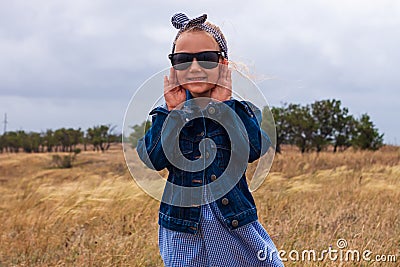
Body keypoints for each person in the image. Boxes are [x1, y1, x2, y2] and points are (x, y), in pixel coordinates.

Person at [137, 13, 283, 267]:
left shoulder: (239, 110)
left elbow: (254, 149)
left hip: (234, 220)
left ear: (223, 64)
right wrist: (173, 113)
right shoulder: (168, 112)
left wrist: (223, 107)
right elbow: (153, 158)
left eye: (206, 58)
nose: (194, 67)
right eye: (183, 60)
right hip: (183, 227)